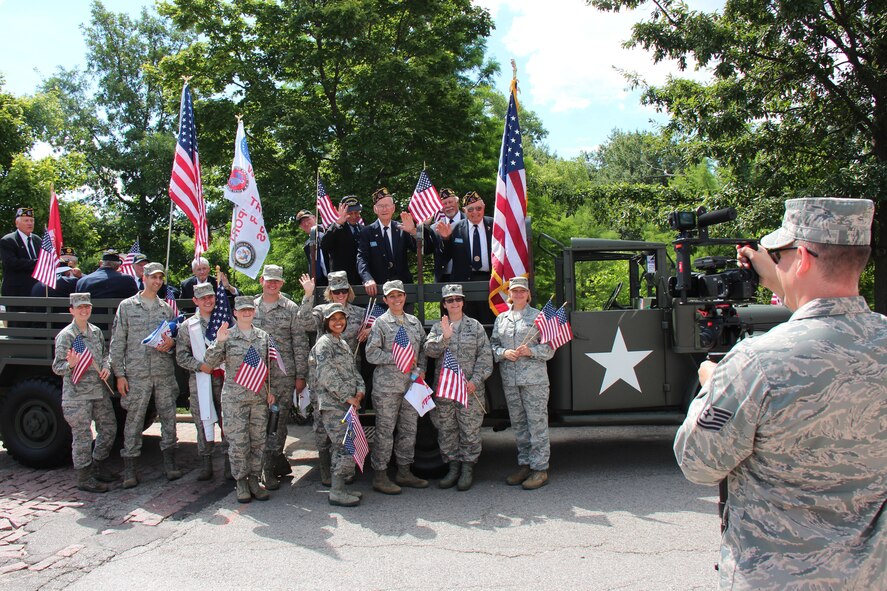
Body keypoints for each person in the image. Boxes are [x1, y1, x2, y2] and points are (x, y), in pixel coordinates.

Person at [674, 197, 886, 590]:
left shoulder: (757, 362)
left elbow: (697, 462)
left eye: (780, 253)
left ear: (802, 256)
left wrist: (713, 387)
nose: (776, 261)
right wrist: (776, 276)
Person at [109, 262, 181, 488]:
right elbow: (117, 342)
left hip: (162, 373)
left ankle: (170, 463)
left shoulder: (166, 309)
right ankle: (129, 468)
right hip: (137, 374)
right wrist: (119, 375)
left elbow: (172, 340)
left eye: (160, 278)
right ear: (144, 278)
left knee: (169, 418)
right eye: (153, 277)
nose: (157, 282)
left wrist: (172, 343)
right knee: (134, 420)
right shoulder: (128, 307)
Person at [298, 270, 370, 486]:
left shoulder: (358, 313)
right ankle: (326, 468)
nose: (340, 294)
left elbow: (379, 326)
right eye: (336, 290)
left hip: (349, 375)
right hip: (325, 378)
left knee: (347, 425)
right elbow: (304, 324)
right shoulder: (321, 311)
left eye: (343, 290)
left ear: (349, 291)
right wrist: (308, 295)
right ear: (330, 292)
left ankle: (344, 470)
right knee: (322, 425)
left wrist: (370, 329)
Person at [204, 296, 274, 504]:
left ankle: (254, 478)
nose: (246, 313)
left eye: (249, 310)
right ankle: (241, 481)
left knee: (258, 441)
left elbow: (268, 369)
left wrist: (271, 390)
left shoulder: (263, 337)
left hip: (258, 398)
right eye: (242, 310)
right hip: (235, 399)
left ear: (254, 312)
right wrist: (219, 342)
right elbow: (209, 363)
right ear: (235, 313)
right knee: (238, 442)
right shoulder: (227, 336)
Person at [423, 284, 493, 491]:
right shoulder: (438, 327)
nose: (454, 303)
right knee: (447, 429)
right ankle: (453, 467)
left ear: (463, 302)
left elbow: (485, 358)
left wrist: (475, 380)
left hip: (470, 389)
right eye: (450, 300)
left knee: (469, 430)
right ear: (444, 304)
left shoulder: (476, 327)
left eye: (458, 299)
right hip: (446, 390)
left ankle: (467, 469)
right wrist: (444, 338)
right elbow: (429, 351)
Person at [490, 276, 554, 490]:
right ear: (509, 294)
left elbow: (550, 348)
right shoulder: (501, 319)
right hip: (511, 380)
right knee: (519, 425)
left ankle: (540, 469)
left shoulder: (538, 318)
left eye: (522, 291)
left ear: (528, 294)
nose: (518, 294)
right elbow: (492, 346)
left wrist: (532, 351)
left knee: (536, 424)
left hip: (534, 381)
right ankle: (525, 465)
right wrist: (503, 352)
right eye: (514, 291)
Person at [364, 279, 428, 494]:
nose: (396, 299)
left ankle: (404, 471)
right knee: (385, 431)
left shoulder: (413, 322)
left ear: (404, 297)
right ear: (385, 300)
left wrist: (422, 368)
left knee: (409, 430)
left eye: (399, 295)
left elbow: (423, 349)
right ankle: (380, 475)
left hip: (411, 385)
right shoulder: (380, 323)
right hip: (387, 387)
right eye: (391, 296)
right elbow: (371, 354)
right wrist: (398, 358)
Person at [52, 292, 118, 493]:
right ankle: (84, 477)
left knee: (109, 428)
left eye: (87, 306)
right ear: (71, 310)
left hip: (98, 390)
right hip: (77, 395)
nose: (84, 310)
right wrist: (70, 365)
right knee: (82, 436)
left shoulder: (96, 331)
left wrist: (107, 367)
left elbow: (105, 355)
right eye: (79, 307)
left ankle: (97, 465)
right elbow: (57, 367)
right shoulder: (67, 336)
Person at [251, 264, 309, 490]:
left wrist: (300, 374)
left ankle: (272, 463)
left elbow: (300, 343)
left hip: (284, 375)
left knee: (279, 422)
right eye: (269, 280)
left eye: (276, 281)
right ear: (261, 281)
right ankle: (263, 466)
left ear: (282, 283)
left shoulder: (290, 308)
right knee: (259, 421)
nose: (272, 284)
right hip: (256, 376)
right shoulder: (251, 309)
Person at [308, 303, 366, 507]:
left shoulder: (341, 343)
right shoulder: (324, 344)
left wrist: (359, 391)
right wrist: (346, 396)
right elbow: (326, 375)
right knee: (344, 447)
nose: (338, 322)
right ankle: (337, 491)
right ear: (326, 322)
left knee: (342, 446)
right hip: (334, 405)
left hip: (348, 404)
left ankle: (339, 488)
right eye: (333, 319)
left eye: (341, 318)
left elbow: (353, 371)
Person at [175, 281, 228, 481]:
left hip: (223, 378)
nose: (208, 301)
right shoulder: (188, 326)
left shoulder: (225, 320)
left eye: (211, 297)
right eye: (203, 298)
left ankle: (229, 463)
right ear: (195, 300)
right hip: (200, 380)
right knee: (201, 420)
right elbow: (181, 356)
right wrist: (200, 366)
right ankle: (206, 463)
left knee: (228, 421)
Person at [437, 191, 495, 323]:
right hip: (464, 283)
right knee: (468, 322)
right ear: (464, 210)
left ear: (484, 207)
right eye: (470, 209)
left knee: (489, 320)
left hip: (489, 280)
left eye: (478, 208)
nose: (475, 212)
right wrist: (445, 239)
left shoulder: (494, 226)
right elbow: (445, 257)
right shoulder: (456, 228)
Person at [356, 187, 422, 297]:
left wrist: (413, 232)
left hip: (403, 290)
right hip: (379, 291)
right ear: (375, 209)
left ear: (393, 208)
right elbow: (362, 259)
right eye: (380, 206)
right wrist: (367, 279)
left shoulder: (403, 228)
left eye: (387, 206)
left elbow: (419, 250)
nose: (384, 209)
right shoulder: (367, 232)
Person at [320, 196, 364, 285]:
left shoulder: (364, 229)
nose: (354, 216)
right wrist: (338, 223)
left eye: (356, 213)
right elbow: (324, 245)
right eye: (350, 213)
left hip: (361, 281)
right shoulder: (335, 228)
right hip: (341, 283)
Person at [0, 207, 42, 296]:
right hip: (16, 291)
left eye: (32, 220)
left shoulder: (38, 240)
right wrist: (38, 263)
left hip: (36, 290)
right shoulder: (8, 240)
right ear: (17, 223)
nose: (30, 223)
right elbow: (12, 263)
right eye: (26, 221)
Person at [430, 188, 464, 282]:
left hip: (466, 276)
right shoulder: (435, 228)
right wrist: (424, 226)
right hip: (443, 278)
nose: (448, 206)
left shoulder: (468, 222)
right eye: (444, 204)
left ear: (457, 202)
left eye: (450, 202)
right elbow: (427, 249)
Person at [296, 210, 330, 287]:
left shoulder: (328, 231)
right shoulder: (308, 245)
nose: (306, 223)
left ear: (314, 218)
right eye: (302, 222)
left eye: (308, 220)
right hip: (321, 284)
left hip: (337, 277)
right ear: (300, 227)